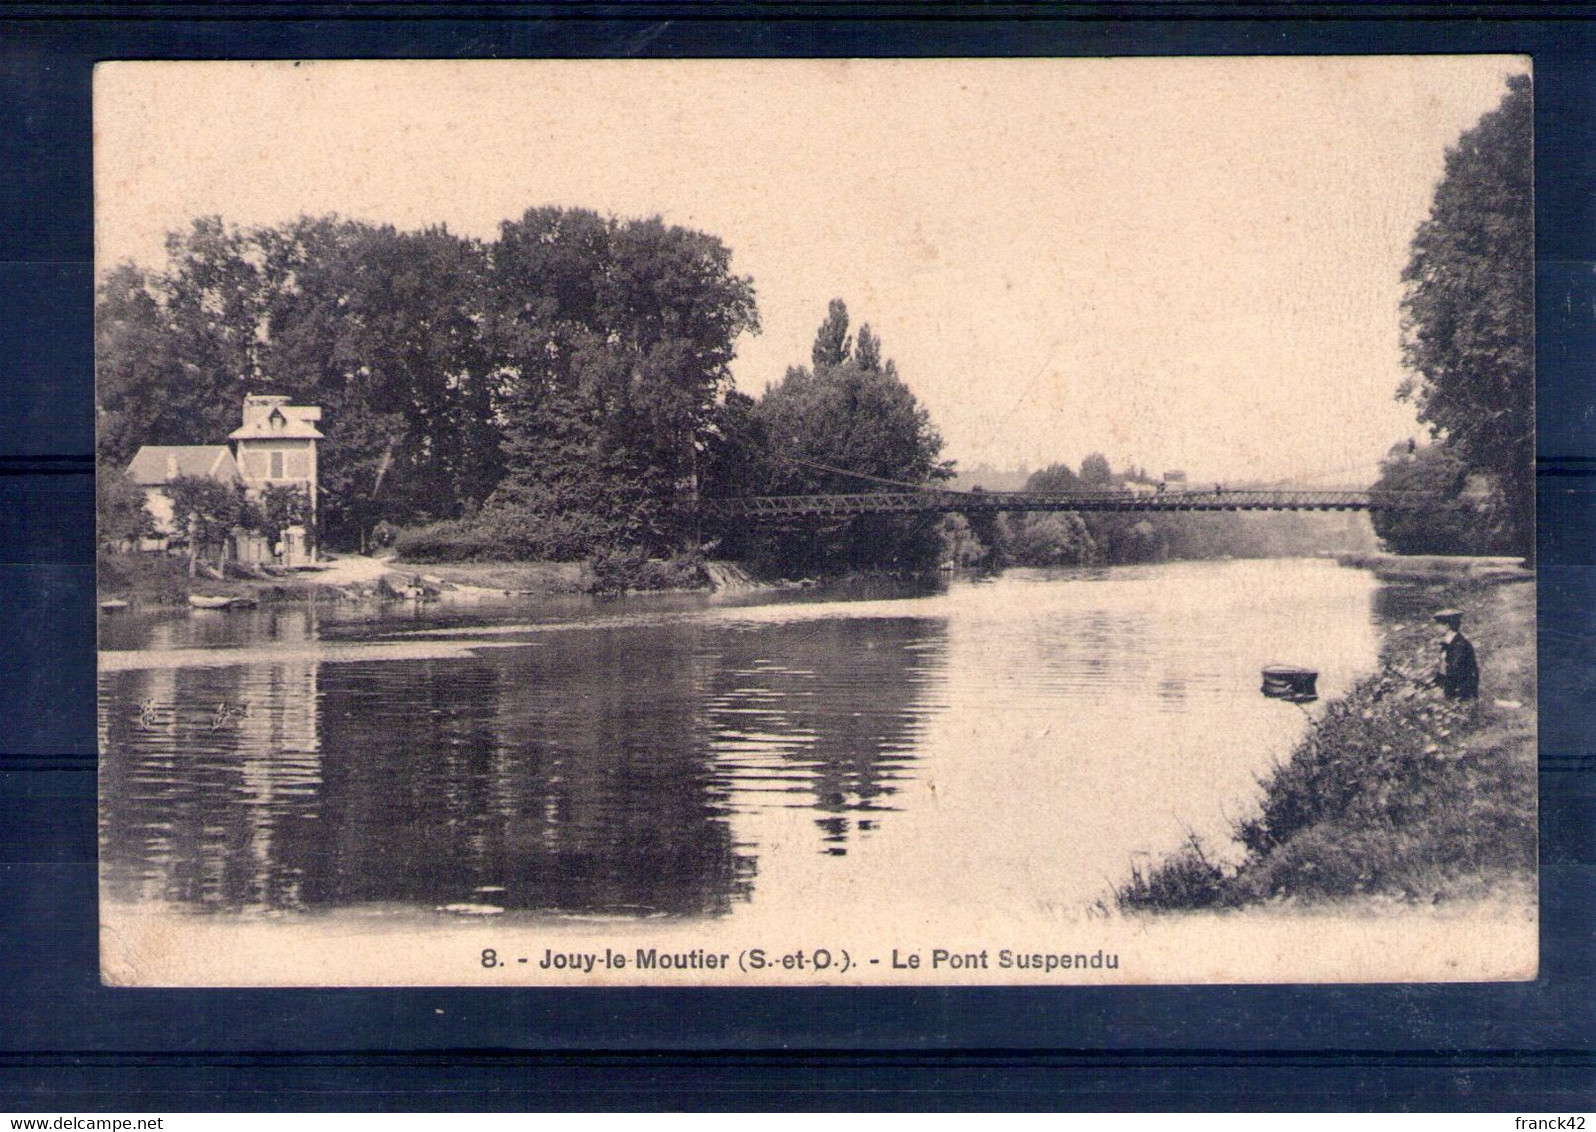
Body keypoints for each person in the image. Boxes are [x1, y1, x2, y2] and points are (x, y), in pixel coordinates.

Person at [1433, 609, 1479, 700]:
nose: (1435, 627)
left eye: (1438, 623)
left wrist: (1442, 690)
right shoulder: (1448, 644)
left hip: (1461, 695)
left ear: (1447, 626)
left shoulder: (1460, 645)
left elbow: (1453, 671)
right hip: (1452, 691)